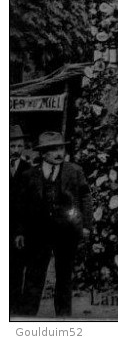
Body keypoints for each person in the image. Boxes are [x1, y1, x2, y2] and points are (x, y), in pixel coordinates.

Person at [13, 132, 93, 317]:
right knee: (34, 277)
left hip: (66, 233)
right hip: (38, 234)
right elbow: (20, 207)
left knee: (64, 277)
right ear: (43, 153)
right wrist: (20, 232)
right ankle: (26, 320)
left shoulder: (74, 171)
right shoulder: (29, 175)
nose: (59, 153)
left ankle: (63, 319)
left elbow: (85, 197)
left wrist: (86, 225)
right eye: (52, 149)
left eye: (61, 148)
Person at [10, 125, 33, 316]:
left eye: (19, 146)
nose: (16, 150)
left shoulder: (28, 170)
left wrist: (21, 230)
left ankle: (15, 309)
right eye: (11, 146)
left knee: (17, 269)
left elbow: (28, 205)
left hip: (18, 229)